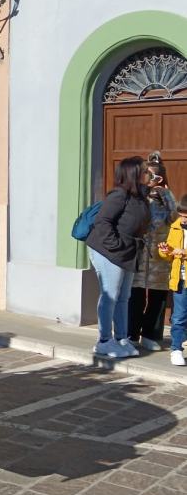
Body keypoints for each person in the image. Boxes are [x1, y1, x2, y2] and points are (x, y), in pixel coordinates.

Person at [85, 156, 151, 358]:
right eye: (145, 171)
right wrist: (117, 246)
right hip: (108, 251)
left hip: (128, 252)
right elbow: (103, 223)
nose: (149, 174)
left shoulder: (139, 196)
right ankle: (104, 341)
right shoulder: (118, 195)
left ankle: (121, 338)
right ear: (134, 174)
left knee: (124, 297)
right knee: (110, 295)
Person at [129, 152, 176, 351]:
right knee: (135, 295)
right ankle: (131, 334)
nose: (153, 181)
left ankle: (151, 335)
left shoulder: (167, 196)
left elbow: (175, 219)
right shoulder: (136, 194)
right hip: (138, 254)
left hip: (159, 256)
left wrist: (165, 197)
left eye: (157, 177)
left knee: (157, 297)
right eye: (150, 176)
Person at [158, 196, 187, 365]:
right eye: (181, 215)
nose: (183, 219)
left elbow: (182, 252)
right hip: (180, 280)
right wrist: (165, 251)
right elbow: (168, 256)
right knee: (179, 316)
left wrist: (184, 252)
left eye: (186, 217)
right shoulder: (175, 228)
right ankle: (176, 349)